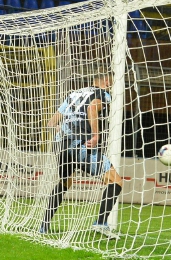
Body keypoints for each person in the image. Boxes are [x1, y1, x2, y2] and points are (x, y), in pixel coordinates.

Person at [40, 70, 123, 240]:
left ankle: (44, 226)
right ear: (107, 81)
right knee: (115, 180)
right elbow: (92, 108)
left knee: (65, 182)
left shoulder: (73, 94)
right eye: (113, 82)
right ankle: (100, 224)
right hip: (81, 144)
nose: (113, 85)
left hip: (61, 143)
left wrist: (59, 130)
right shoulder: (102, 93)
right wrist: (95, 135)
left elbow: (52, 121)